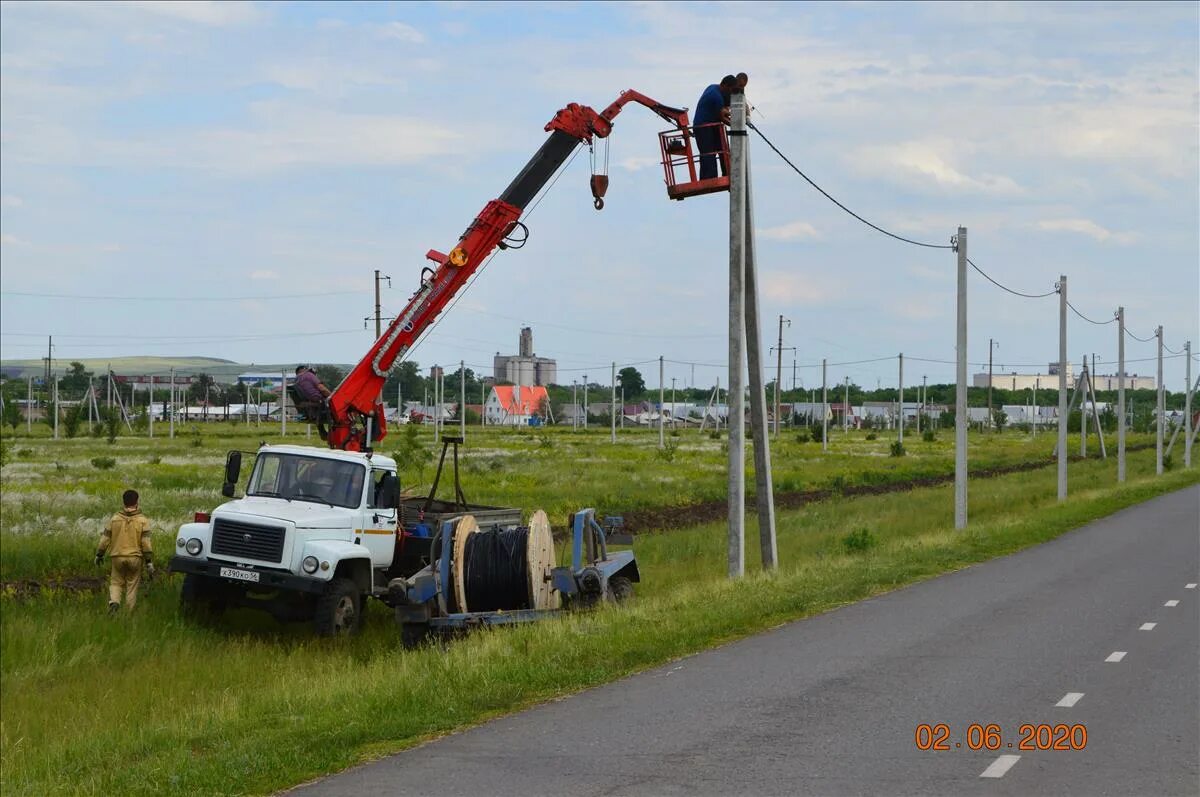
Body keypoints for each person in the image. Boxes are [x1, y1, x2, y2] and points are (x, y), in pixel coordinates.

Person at [95, 489, 153, 613]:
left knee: (116, 583)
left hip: (117, 557)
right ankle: (128, 612)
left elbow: (104, 539)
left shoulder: (114, 519)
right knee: (132, 585)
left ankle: (114, 603)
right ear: (137, 502)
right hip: (135, 558)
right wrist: (149, 561)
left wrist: (99, 555)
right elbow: (146, 543)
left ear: (123, 502)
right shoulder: (143, 520)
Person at [693, 75, 738, 180]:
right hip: (703, 127)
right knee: (709, 153)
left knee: (723, 149)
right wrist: (736, 125)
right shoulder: (716, 97)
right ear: (726, 86)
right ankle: (709, 178)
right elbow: (722, 117)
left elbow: (722, 111)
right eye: (731, 91)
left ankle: (727, 173)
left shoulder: (713, 87)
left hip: (711, 125)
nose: (731, 94)